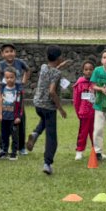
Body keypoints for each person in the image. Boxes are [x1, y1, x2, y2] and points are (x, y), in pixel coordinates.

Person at [25, 45, 68, 175]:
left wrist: (60, 66)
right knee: (51, 137)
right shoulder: (57, 73)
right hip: (49, 107)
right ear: (59, 58)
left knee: (44, 120)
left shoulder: (44, 67)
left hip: (38, 104)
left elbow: (51, 71)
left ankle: (35, 134)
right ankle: (47, 163)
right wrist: (60, 108)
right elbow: (52, 91)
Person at [0, 43, 31, 155]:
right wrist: (1, 85)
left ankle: (21, 147)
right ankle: (3, 147)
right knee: (4, 124)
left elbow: (27, 70)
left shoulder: (20, 62)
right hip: (6, 96)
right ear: (2, 54)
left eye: (11, 51)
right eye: (6, 51)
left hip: (17, 95)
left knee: (19, 121)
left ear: (15, 52)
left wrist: (23, 81)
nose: (9, 53)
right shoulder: (0, 65)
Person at [0, 67, 23, 161]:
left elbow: (21, 105)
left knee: (14, 135)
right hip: (4, 117)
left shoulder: (18, 90)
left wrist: (19, 116)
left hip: (13, 118)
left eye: (11, 77)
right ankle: (4, 151)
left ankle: (14, 152)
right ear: (4, 78)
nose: (9, 79)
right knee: (4, 135)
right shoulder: (2, 89)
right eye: (7, 77)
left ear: (15, 77)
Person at [73, 59, 96, 160]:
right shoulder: (80, 84)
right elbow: (76, 100)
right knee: (83, 133)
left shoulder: (96, 83)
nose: (88, 71)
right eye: (86, 69)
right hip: (84, 113)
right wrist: (78, 112)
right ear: (83, 70)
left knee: (95, 133)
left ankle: (97, 151)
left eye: (90, 69)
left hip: (95, 113)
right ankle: (79, 151)